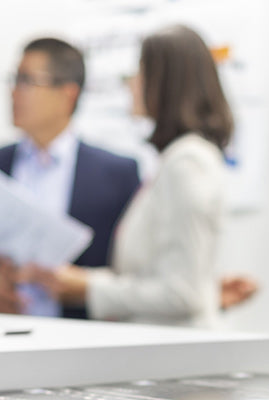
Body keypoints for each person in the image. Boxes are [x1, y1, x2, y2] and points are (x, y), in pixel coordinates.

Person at [27, 25, 248, 325]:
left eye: (141, 72)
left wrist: (88, 288)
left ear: (165, 83)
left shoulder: (187, 163)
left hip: (174, 357)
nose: (131, 84)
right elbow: (178, 279)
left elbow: (181, 293)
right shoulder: (175, 161)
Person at [0, 37, 140, 318]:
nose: (13, 92)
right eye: (13, 80)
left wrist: (85, 285)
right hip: (5, 339)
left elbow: (133, 273)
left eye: (26, 80)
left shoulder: (118, 173)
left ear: (68, 94)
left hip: (86, 343)